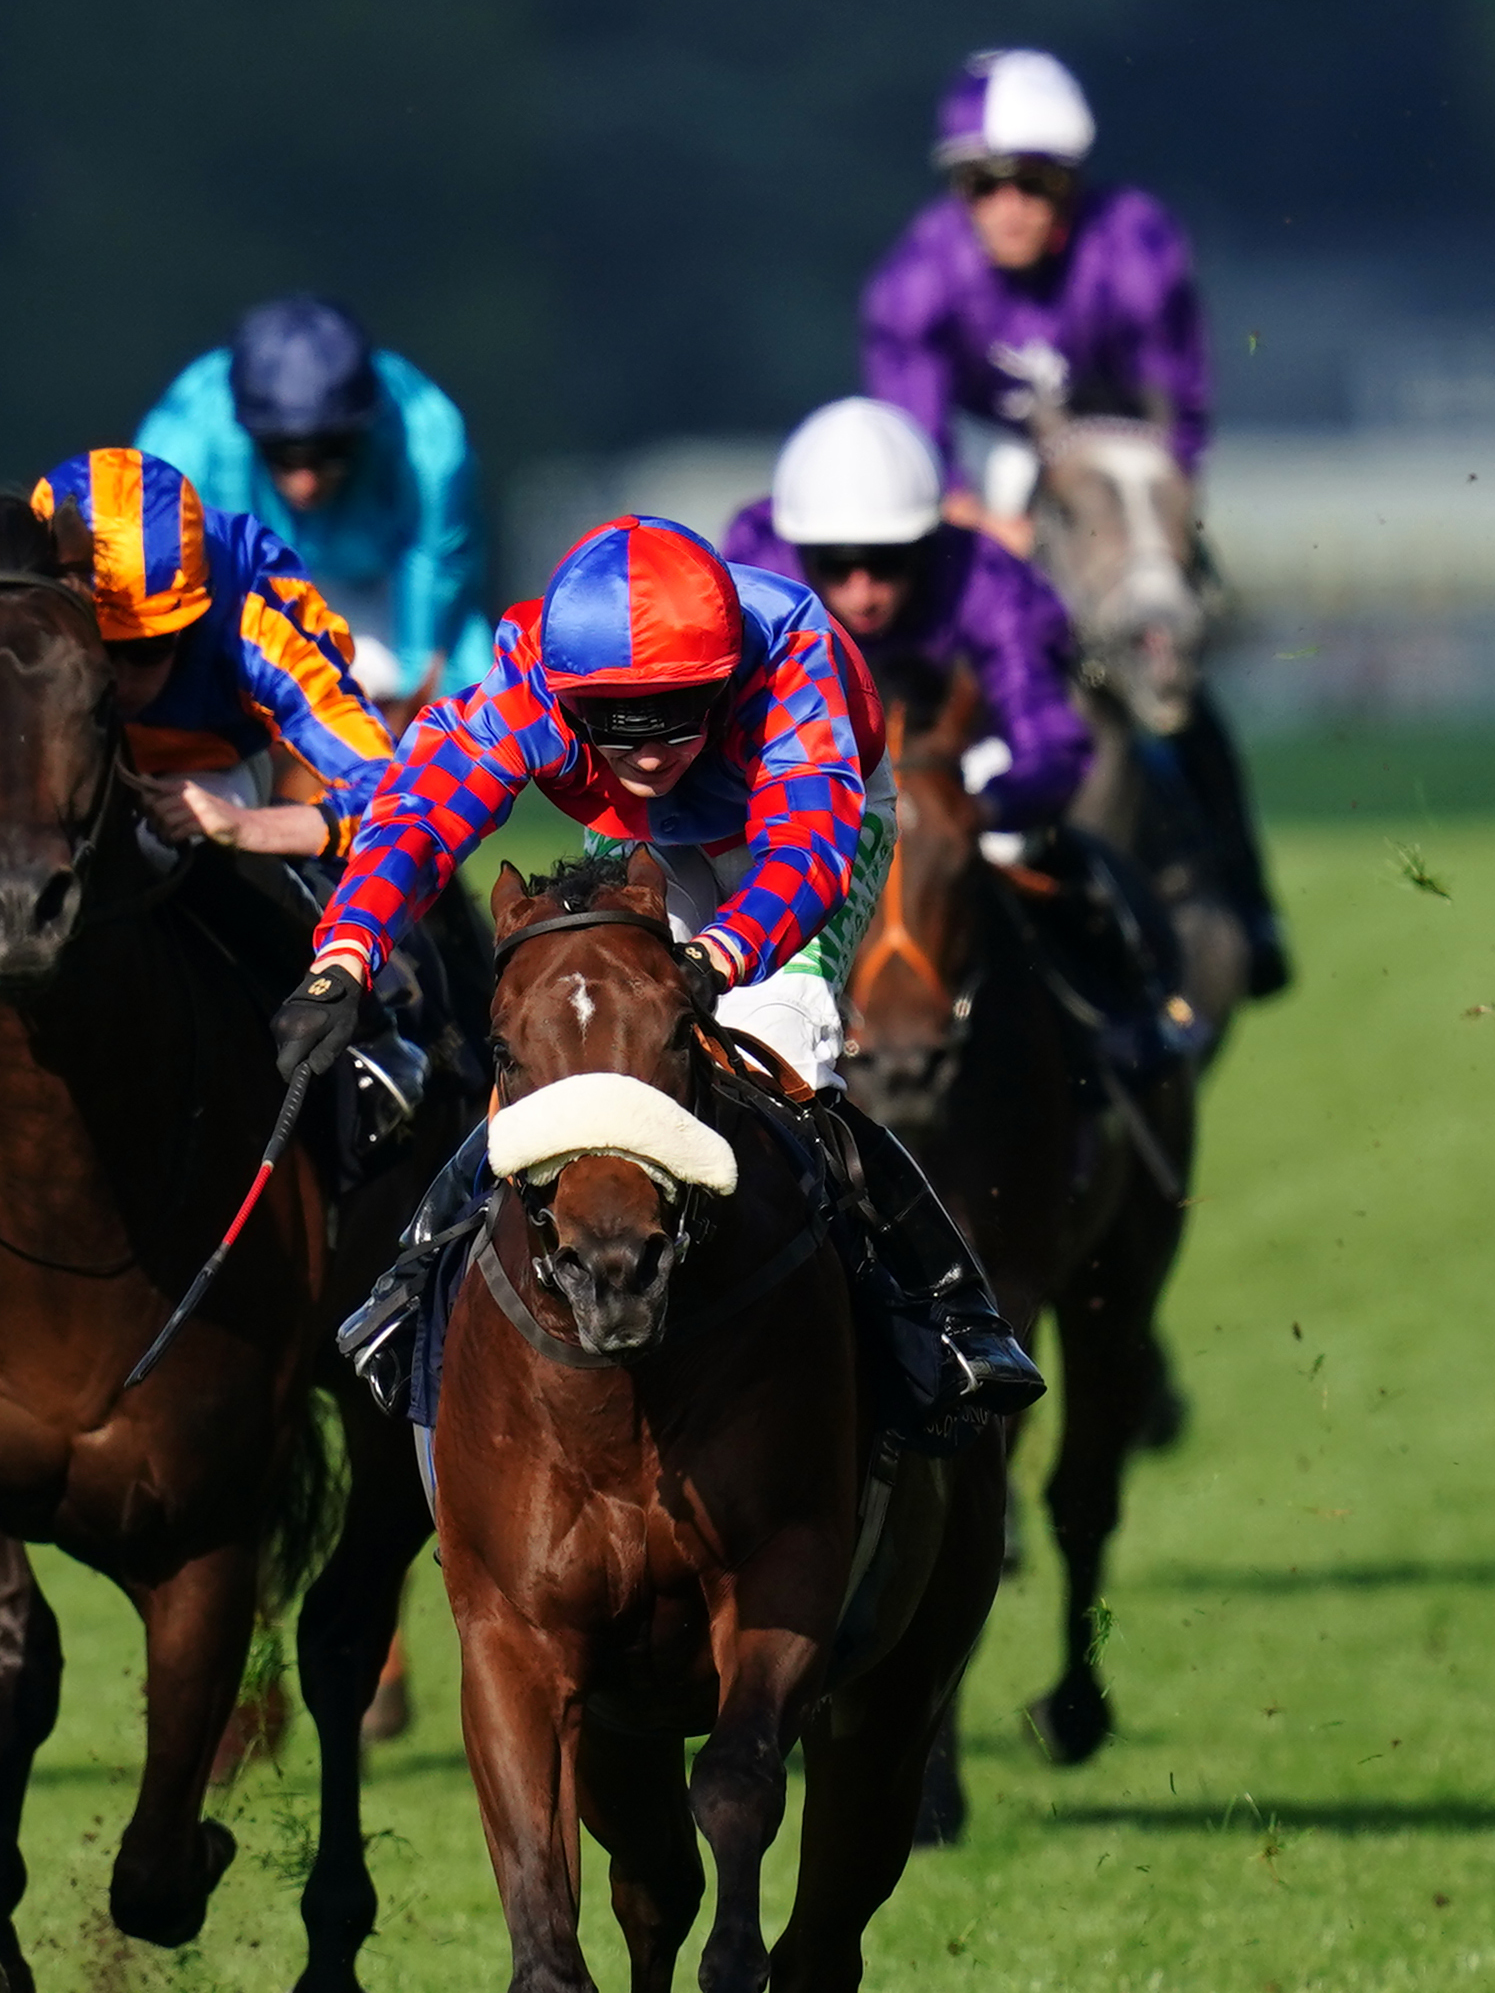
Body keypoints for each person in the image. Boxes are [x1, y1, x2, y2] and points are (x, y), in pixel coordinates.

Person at [271, 516, 1043, 1442]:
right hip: (652, 837)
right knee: (580, 1040)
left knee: (786, 1040)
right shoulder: (531, 678)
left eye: (678, 713)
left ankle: (944, 1316)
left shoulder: (795, 658)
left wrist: (717, 956)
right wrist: (343, 955)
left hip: (803, 827)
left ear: (728, 680)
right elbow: (420, 814)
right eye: (613, 723)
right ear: (565, 697)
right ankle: (418, 1276)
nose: (645, 751)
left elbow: (804, 851)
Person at [859, 50, 1281, 997]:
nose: (1007, 205)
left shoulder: (1134, 249)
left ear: (1071, 182)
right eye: (982, 183)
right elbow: (909, 439)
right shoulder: (919, 276)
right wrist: (973, 515)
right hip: (972, 474)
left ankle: (1247, 905)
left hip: (1109, 468)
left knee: (1169, 681)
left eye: (1032, 183)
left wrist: (1133, 516)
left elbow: (1176, 415)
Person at [0, 447, 400, 1107]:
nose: (111, 678)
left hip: (202, 773)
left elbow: (397, 791)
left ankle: (373, 1045)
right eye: (91, 642)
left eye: (147, 649)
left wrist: (255, 824)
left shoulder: (252, 613)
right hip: (43, 780)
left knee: (250, 869)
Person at [718, 396, 1190, 1080]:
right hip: (805, 779)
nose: (863, 590)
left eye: (885, 562)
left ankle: (1124, 1042)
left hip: (961, 772)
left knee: (1045, 863)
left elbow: (1050, 741)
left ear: (924, 543)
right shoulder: (751, 568)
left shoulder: (988, 581)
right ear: (799, 549)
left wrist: (981, 810)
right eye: (837, 563)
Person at [137, 295, 484, 720]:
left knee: (478, 717)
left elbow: (434, 566)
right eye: (283, 452)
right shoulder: (181, 442)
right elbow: (162, 584)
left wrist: (415, 689)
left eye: (331, 449)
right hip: (234, 593)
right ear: (244, 428)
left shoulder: (426, 437)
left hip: (383, 587)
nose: (307, 480)